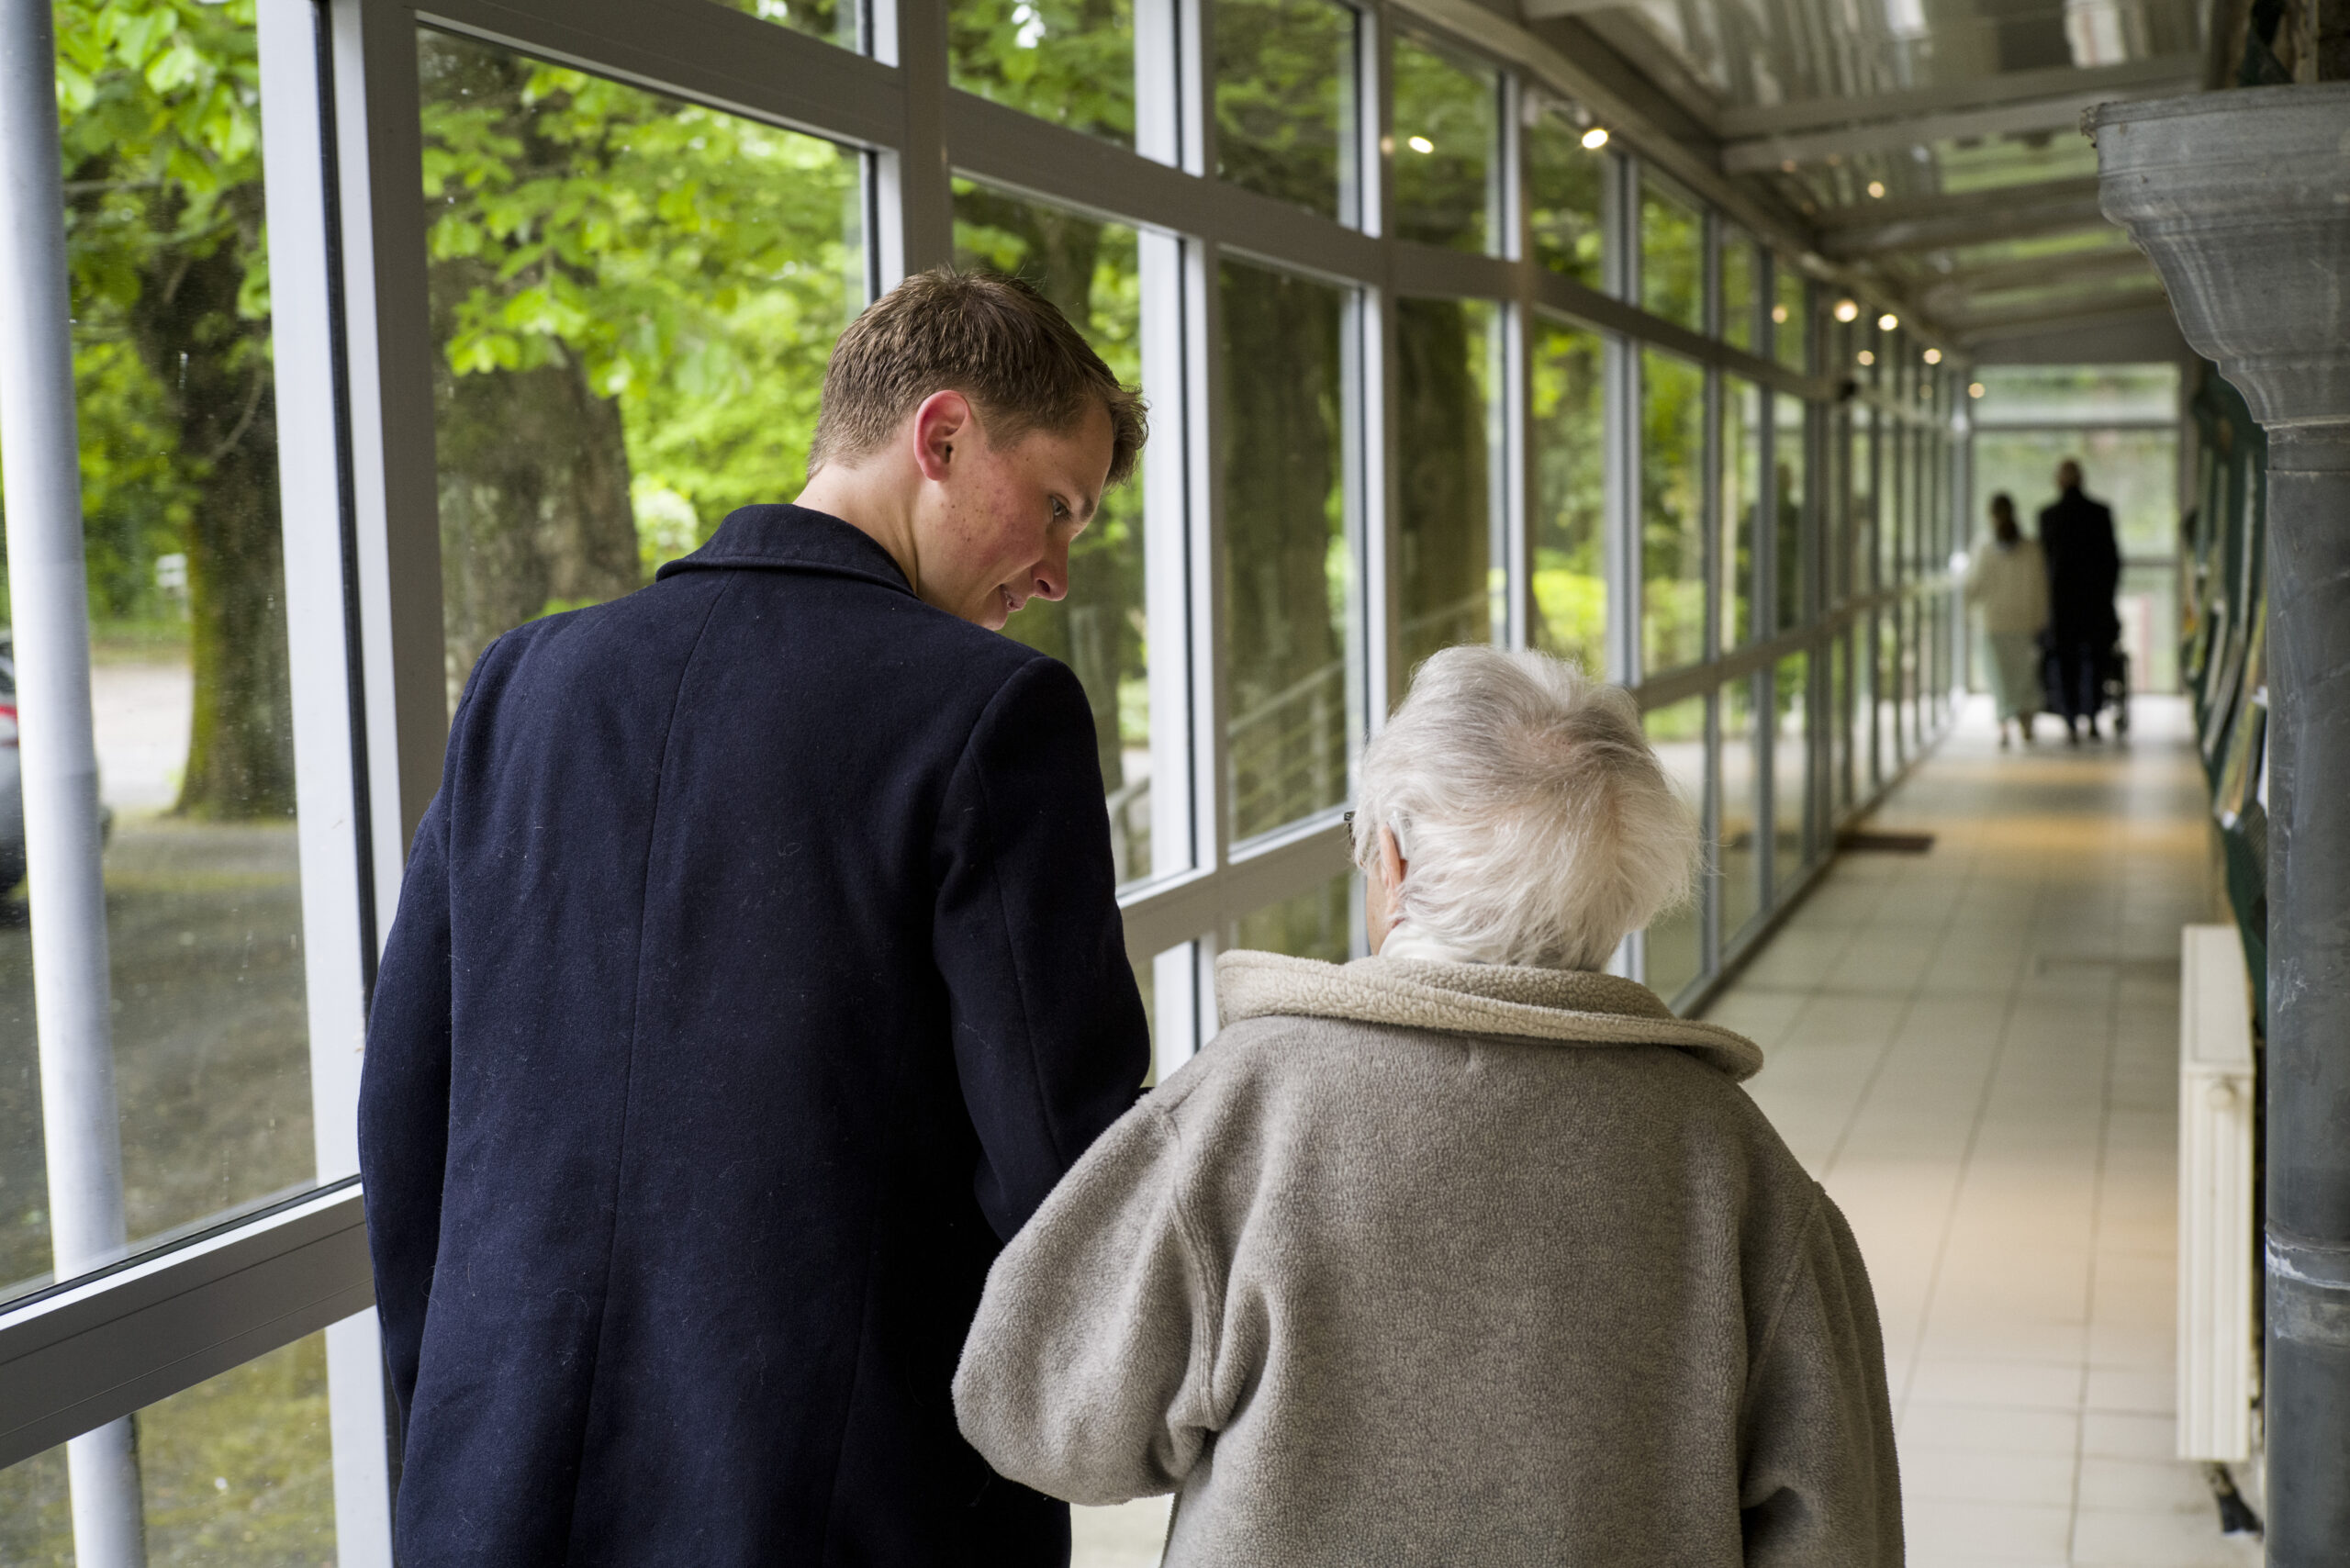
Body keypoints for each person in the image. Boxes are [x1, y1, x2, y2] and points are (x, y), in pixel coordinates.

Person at [358, 269, 1153, 1564]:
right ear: (941, 436)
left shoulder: (527, 683)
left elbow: (408, 1122)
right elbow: (1062, 1168)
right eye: (1059, 507)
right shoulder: (990, 715)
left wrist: (451, 1426)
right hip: (844, 1511)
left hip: (501, 1487)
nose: (1059, 572)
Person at [956, 646, 1904, 1567]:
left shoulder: (1245, 1108)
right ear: (1626, 893)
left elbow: (1043, 1419)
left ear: (1394, 858)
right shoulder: (1738, 1166)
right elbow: (1838, 1533)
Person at [2037, 458, 2121, 743]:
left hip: (2062, 605)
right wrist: (2107, 597)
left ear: (2059, 481)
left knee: (2066, 663)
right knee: (2095, 662)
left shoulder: (2048, 516)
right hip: (2095, 604)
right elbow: (2112, 561)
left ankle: (2071, 719)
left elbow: (2044, 567)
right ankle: (2093, 716)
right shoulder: (2100, 513)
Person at [1964, 492, 2050, 748]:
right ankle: (2027, 722)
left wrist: (1967, 612)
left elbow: (1973, 586)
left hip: (1994, 622)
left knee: (2000, 679)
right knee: (2025, 675)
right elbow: (2041, 587)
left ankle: (2003, 725)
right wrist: (2040, 619)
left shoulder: (1984, 547)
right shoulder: (2032, 547)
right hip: (2024, 621)